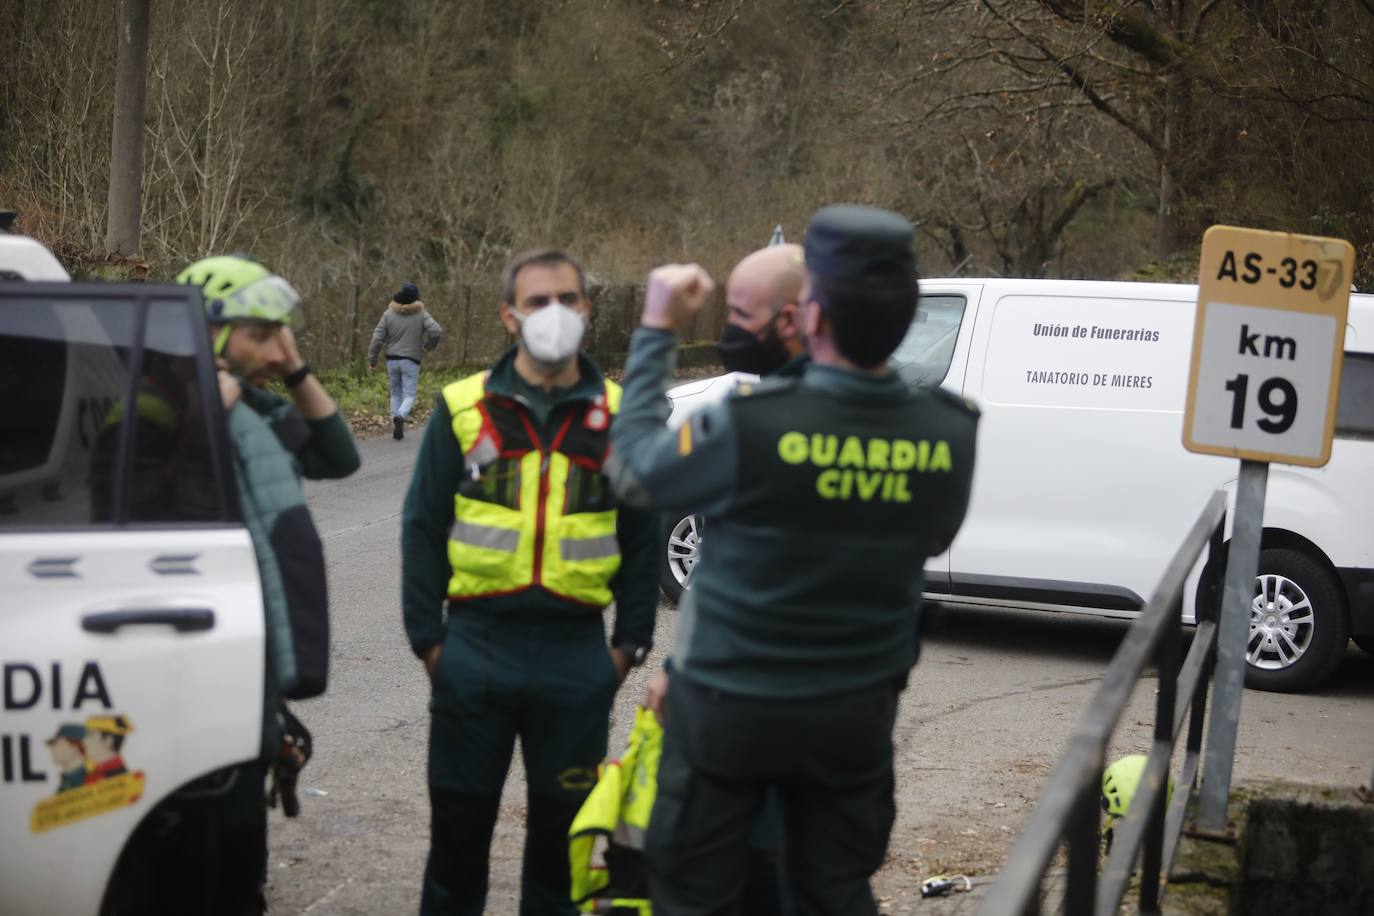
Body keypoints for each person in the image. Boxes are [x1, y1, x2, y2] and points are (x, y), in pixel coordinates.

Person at [608, 205, 980, 915]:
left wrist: (656, 329)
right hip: (854, 717)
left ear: (808, 317)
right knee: (834, 890)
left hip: (729, 717)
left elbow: (633, 472)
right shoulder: (950, 434)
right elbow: (929, 537)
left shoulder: (751, 423)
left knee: (695, 891)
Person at [401, 248, 659, 915]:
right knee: (456, 848)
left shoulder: (619, 415)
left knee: (561, 853)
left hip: (577, 659)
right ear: (509, 316)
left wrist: (625, 649)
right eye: (537, 301)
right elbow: (423, 527)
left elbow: (642, 539)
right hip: (475, 653)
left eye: (567, 299)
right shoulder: (464, 407)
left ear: (587, 309)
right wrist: (431, 645)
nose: (554, 313)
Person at [104, 254, 361, 916]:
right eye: (262, 333)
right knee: (191, 854)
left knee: (239, 842)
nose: (276, 348)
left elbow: (339, 456)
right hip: (178, 669)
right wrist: (201, 430)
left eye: (283, 333)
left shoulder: (250, 407)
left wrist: (294, 366)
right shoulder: (139, 413)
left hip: (240, 663)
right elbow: (152, 534)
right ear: (209, 332)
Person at [368, 282, 443, 440]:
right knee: (409, 395)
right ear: (416, 298)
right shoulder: (421, 313)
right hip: (411, 360)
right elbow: (436, 331)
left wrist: (372, 360)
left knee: (395, 393)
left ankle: (396, 424)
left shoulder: (388, 314)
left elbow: (377, 338)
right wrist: (429, 346)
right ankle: (401, 416)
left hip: (392, 360)